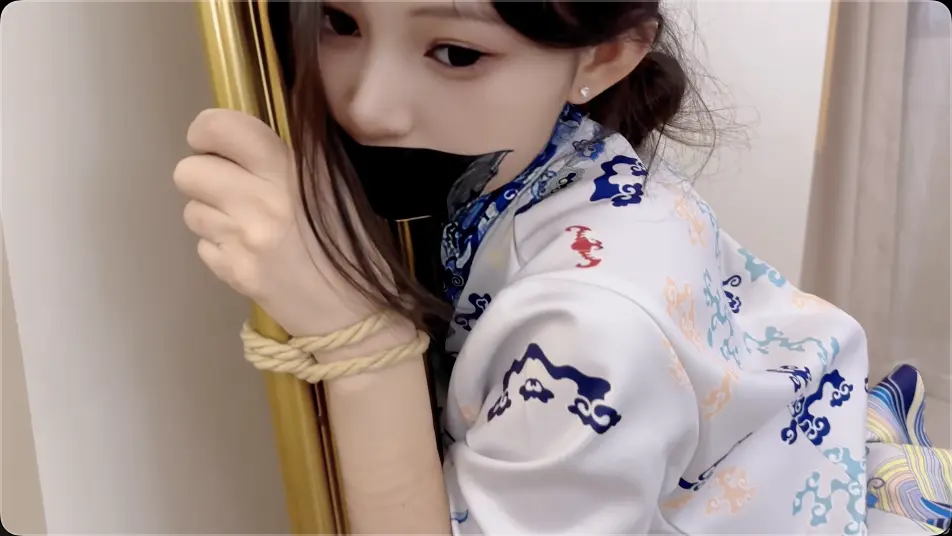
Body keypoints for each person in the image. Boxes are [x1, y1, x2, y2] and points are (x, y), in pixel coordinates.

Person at [173, 1, 951, 534]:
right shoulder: (545, 161)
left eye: (456, 52)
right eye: (340, 21)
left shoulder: (594, 324)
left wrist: (361, 337)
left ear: (606, 57)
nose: (368, 104)